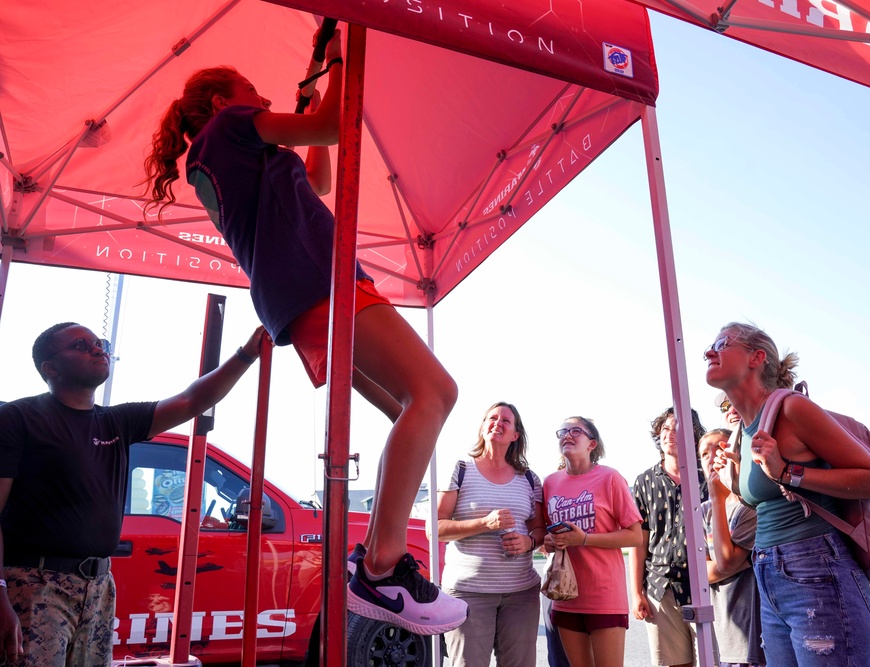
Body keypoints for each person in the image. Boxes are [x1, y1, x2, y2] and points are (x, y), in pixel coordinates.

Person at [142, 28, 466, 634]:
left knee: (412, 405)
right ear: (221, 101)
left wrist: (318, 89)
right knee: (435, 393)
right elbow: (331, 124)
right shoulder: (232, 125)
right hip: (318, 279)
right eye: (249, 90)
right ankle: (381, 568)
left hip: (297, 294)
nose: (260, 97)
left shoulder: (220, 153)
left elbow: (319, 173)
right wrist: (339, 59)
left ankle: (374, 563)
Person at [0, 321, 266, 666]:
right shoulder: (18, 418)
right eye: (80, 345)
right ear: (49, 368)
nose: (97, 349)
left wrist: (246, 353)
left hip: (98, 586)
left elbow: (192, 400)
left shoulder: (116, 422)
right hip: (35, 585)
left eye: (99, 343)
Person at [706, 322, 870, 666]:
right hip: (769, 572)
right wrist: (732, 478)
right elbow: (768, 501)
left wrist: (787, 472)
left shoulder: (791, 408)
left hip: (815, 569)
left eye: (722, 343)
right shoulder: (743, 433)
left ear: (756, 357)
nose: (708, 351)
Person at [432, 402, 543, 666]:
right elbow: (435, 529)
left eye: (506, 420)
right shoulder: (460, 469)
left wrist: (528, 542)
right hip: (468, 593)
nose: (498, 422)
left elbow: (540, 529)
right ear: (482, 428)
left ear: (515, 435)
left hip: (521, 593)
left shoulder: (529, 479)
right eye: (492, 418)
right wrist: (484, 523)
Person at [542, 416, 642, 667]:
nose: (568, 434)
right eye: (563, 431)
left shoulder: (610, 478)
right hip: (565, 596)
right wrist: (549, 541)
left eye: (576, 430)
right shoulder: (550, 483)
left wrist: (584, 538)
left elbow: (635, 535)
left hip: (604, 596)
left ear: (592, 443)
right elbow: (544, 535)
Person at [628, 407, 706, 667]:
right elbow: (638, 541)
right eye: (665, 428)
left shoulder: (708, 476)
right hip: (661, 590)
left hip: (707, 586)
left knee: (713, 661)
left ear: (694, 436)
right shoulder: (644, 481)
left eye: (678, 428)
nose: (670, 434)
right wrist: (637, 592)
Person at [699, 428, 765, 667]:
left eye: (721, 448)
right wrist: (736, 562)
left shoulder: (751, 504)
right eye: (705, 454)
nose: (713, 457)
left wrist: (718, 498)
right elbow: (698, 574)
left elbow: (725, 562)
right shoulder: (703, 511)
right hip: (723, 628)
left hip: (754, 630)